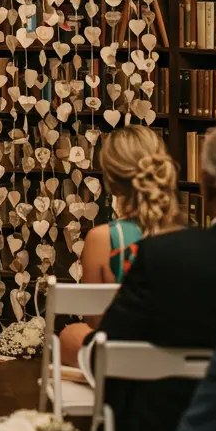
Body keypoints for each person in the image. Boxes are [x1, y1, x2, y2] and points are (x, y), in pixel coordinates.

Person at [75, 122, 216, 431]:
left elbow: (107, 341)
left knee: (77, 338)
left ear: (206, 183)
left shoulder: (171, 256)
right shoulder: (182, 245)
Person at [60, 126, 182, 366]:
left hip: (123, 361)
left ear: (112, 181)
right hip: (176, 354)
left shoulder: (102, 239)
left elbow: (95, 322)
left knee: (71, 335)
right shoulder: (187, 236)